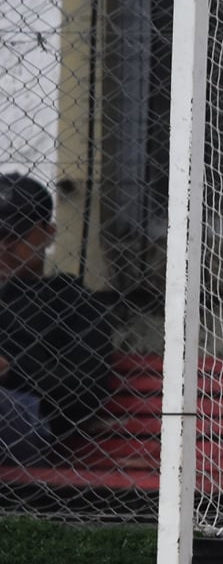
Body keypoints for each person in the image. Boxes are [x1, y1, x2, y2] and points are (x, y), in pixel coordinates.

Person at [0, 173, 113, 465]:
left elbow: (87, 384)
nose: (3, 246)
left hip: (29, 419)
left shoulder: (71, 301)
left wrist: (13, 370)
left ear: (47, 231)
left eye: (15, 235)